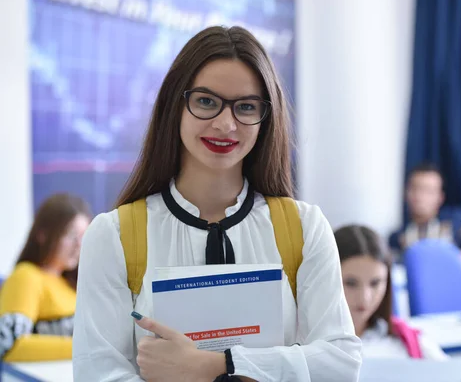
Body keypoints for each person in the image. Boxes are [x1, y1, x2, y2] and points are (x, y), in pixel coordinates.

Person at [72, 26, 361, 382]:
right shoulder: (113, 236)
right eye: (206, 101)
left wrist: (219, 365)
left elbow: (341, 363)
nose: (226, 124)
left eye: (246, 107)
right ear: (175, 105)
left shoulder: (304, 227)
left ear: (265, 118)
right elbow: (98, 373)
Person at [335, 224, 461, 382]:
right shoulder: (312, 347)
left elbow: (456, 375)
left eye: (375, 283)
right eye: (350, 283)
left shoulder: (407, 340)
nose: (365, 297)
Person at [0, 193, 91, 361]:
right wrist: (86, 348)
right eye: (71, 235)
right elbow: (9, 344)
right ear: (42, 234)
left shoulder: (70, 282)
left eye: (83, 236)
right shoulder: (26, 276)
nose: (78, 245)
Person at [388, 163, 461, 264]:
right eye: (414, 189)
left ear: (440, 197)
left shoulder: (459, 221)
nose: (419, 196)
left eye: (428, 191)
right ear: (406, 193)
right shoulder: (398, 236)